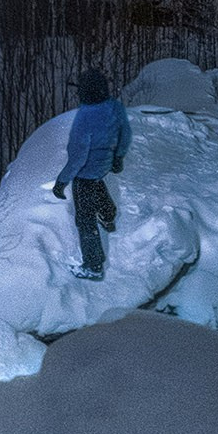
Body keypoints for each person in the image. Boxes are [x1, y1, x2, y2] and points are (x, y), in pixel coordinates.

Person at [51, 63, 130, 278]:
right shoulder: (115, 107)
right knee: (96, 183)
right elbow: (125, 133)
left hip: (86, 172)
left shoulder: (85, 117)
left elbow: (78, 157)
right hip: (104, 165)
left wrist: (61, 182)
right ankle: (108, 215)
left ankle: (93, 266)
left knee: (85, 220)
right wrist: (118, 157)